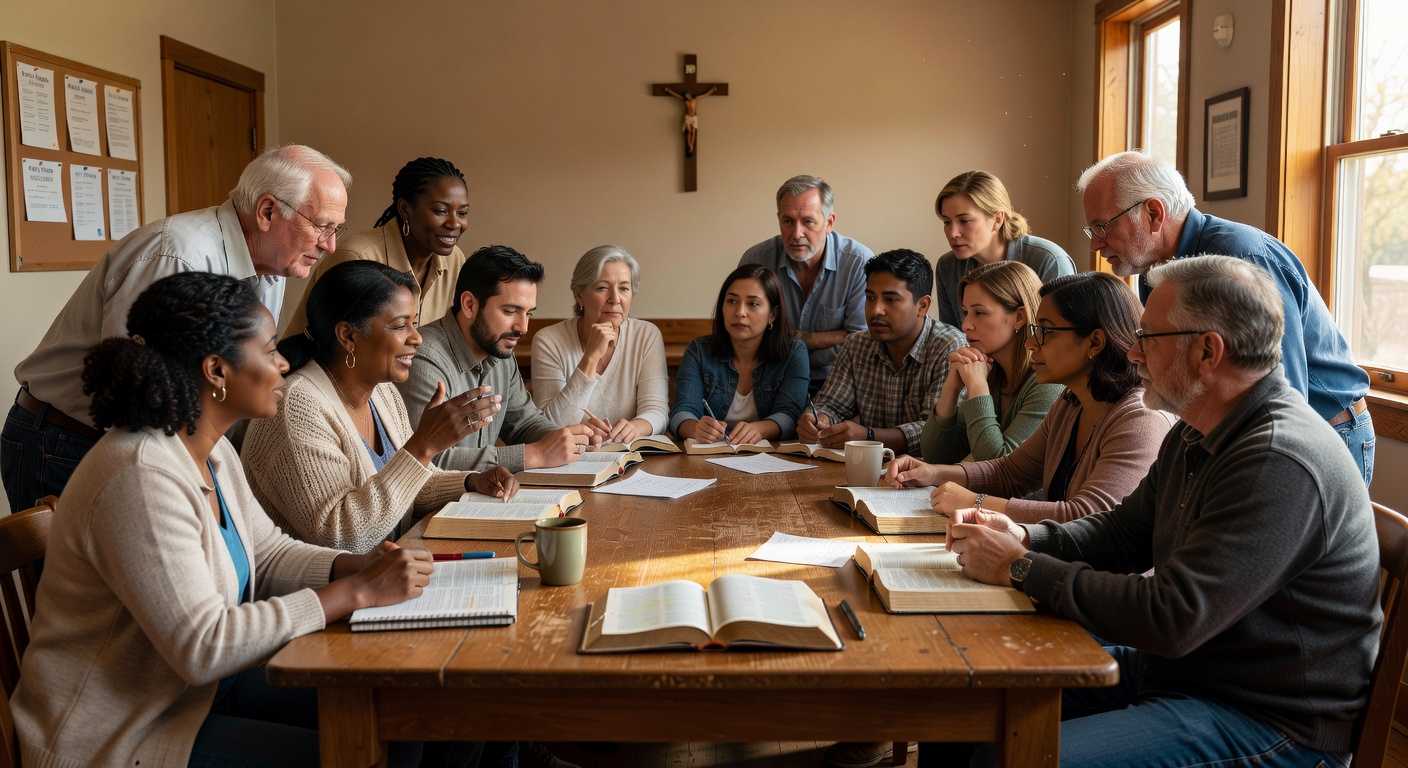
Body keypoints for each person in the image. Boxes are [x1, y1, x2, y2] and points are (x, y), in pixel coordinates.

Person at [10, 272, 480, 768]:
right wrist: (356, 593)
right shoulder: (139, 475)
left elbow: (268, 550)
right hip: (120, 732)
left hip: (200, 693)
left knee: (403, 716)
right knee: (371, 749)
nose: (283, 363)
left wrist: (357, 566)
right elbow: (203, 645)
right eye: (271, 349)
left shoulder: (210, 454)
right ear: (217, 370)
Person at [943, 255, 1380, 767]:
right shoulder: (1199, 428)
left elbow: (1173, 616)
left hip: (1265, 719)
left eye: (1147, 337)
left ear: (1207, 351)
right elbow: (1125, 533)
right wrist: (1025, 537)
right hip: (1186, 674)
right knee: (964, 696)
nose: (1132, 352)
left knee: (1009, 761)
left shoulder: (1276, 457)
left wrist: (1019, 566)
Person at [1, 144, 351, 513]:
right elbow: (136, 393)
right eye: (322, 226)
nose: (329, 244)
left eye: (336, 229)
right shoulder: (178, 254)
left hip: (155, 444)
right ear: (267, 211)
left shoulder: (273, 263)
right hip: (70, 440)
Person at [1077, 149, 1374, 483]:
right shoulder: (1156, 273)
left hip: (1323, 431)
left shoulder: (1240, 260)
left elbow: (1285, 394)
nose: (1096, 245)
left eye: (1102, 226)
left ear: (1154, 214)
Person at [243, 261, 517, 553]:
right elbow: (343, 536)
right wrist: (423, 445)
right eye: (400, 326)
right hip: (320, 594)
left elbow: (405, 484)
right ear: (348, 336)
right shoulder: (297, 407)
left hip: (385, 579)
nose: (417, 338)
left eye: (414, 322)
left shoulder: (382, 392)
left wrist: (470, 482)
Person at [888, 272, 1174, 523]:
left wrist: (975, 504)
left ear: (1095, 342)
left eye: (1045, 331)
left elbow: (1087, 517)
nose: (1030, 342)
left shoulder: (1139, 417)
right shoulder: (1070, 403)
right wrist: (931, 472)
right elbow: (1010, 472)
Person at [398, 245, 598, 472]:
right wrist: (533, 455)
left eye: (528, 313)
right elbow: (427, 461)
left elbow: (525, 423)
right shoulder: (424, 358)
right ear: (469, 305)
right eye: (511, 311)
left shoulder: (500, 350)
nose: (523, 328)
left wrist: (569, 440)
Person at [796, 249, 966, 456]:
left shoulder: (950, 348)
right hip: (868, 473)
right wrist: (818, 420)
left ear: (922, 305)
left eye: (891, 300)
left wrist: (868, 437)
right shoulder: (856, 345)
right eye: (870, 298)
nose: (876, 310)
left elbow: (935, 432)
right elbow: (831, 404)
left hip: (930, 477)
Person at [285, 156, 471, 338]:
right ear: (405, 209)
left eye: (462, 213)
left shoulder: (454, 260)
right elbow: (322, 347)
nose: (455, 223)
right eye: (441, 211)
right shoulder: (357, 257)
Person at [739, 175, 874, 394]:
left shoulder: (858, 262)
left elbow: (860, 340)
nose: (796, 233)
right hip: (771, 378)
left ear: (829, 222)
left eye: (808, 221)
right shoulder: (756, 260)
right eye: (788, 221)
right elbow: (746, 332)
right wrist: (832, 336)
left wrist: (799, 338)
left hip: (839, 381)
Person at [920, 260, 1063, 464]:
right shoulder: (991, 374)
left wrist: (978, 388)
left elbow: (1001, 469)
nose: (966, 325)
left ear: (1019, 317)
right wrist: (951, 389)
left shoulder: (1048, 383)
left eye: (980, 313)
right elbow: (936, 457)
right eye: (966, 312)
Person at [529, 245, 669, 442]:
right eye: (603, 288)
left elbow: (657, 411)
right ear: (579, 295)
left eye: (624, 288)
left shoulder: (646, 335)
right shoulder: (549, 341)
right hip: (569, 458)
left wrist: (635, 428)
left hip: (628, 454)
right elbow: (550, 426)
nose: (615, 299)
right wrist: (591, 357)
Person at [670, 264, 809, 443]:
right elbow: (682, 412)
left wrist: (759, 430)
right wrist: (696, 429)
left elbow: (790, 415)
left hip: (769, 459)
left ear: (773, 314)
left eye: (753, 304)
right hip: (709, 456)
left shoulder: (793, 352)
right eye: (732, 301)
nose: (740, 312)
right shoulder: (699, 350)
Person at [933, 170, 1075, 328]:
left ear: (997, 219)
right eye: (946, 222)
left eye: (965, 221)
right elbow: (954, 337)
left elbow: (1063, 339)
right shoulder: (947, 266)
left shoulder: (1049, 261)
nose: (953, 233)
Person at [663, 86, 716, 155]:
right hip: (687, 117)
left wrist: (712, 91)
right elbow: (676, 95)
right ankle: (689, 145)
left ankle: (691, 146)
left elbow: (705, 95)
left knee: (693, 131)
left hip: (694, 117)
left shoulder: (695, 99)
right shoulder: (685, 100)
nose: (686, 96)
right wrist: (669, 90)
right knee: (689, 131)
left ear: (689, 94)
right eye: (685, 95)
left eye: (687, 95)